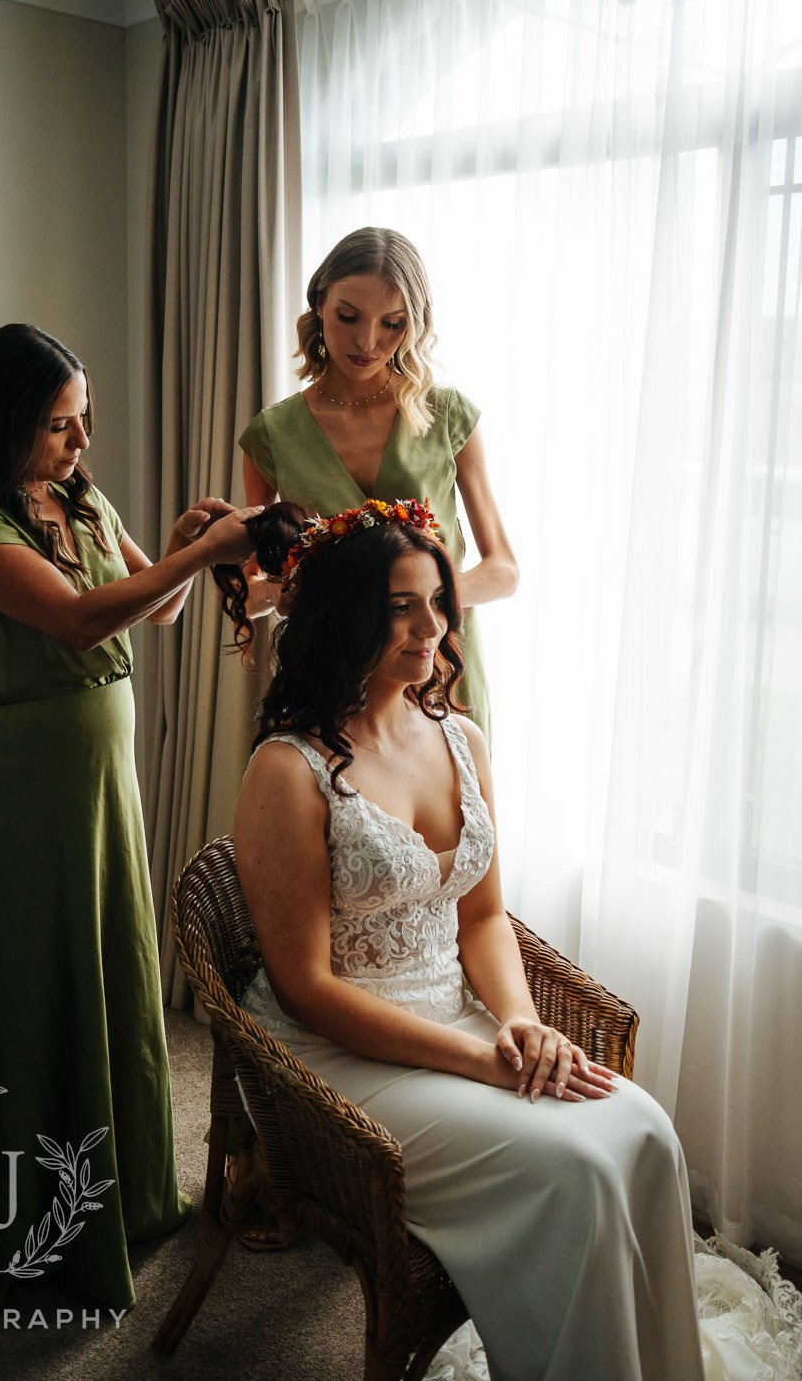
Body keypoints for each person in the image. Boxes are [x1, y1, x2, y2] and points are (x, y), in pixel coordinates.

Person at [231, 498, 708, 1381]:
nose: (432, 627)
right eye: (401, 605)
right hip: (338, 1052)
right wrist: (479, 1063)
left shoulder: (461, 737)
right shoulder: (286, 769)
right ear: (344, 616)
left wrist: (517, 1023)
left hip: (456, 1010)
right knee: (574, 1170)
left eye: (438, 601)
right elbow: (306, 986)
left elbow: (483, 917)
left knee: (645, 1131)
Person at [0, 323, 259, 1310]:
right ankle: (28, 1220)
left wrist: (193, 554)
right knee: (35, 986)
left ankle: (127, 1194)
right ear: (8, 421)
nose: (80, 444)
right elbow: (78, 619)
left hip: (102, 779)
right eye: (60, 426)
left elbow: (150, 609)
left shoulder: (75, 497)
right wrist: (204, 555)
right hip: (26, 782)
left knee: (112, 974)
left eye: (84, 423)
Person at [238, 227, 518, 743]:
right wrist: (309, 594)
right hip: (332, 675)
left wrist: (429, 602)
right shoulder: (273, 435)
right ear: (320, 303)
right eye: (348, 317)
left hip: (437, 665)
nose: (367, 342)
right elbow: (247, 591)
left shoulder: (448, 415)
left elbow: (503, 569)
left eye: (393, 324)